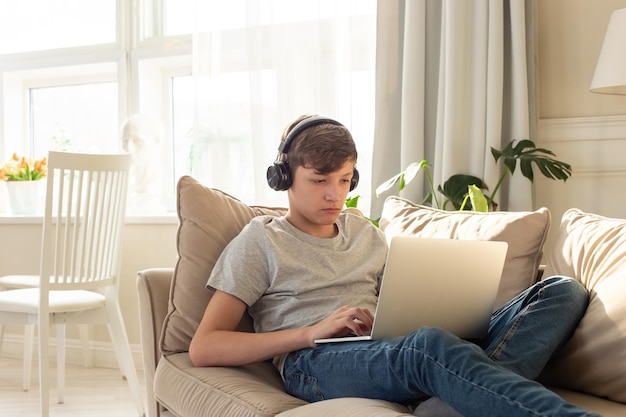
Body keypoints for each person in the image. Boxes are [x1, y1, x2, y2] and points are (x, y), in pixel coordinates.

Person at [189, 115, 597, 417]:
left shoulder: (364, 233)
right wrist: (311, 333)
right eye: (319, 181)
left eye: (346, 180)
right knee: (428, 347)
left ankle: (449, 400)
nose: (335, 195)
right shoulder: (261, 239)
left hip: (386, 347)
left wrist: (399, 317)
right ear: (284, 178)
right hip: (314, 364)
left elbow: (401, 302)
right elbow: (205, 346)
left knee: (561, 290)